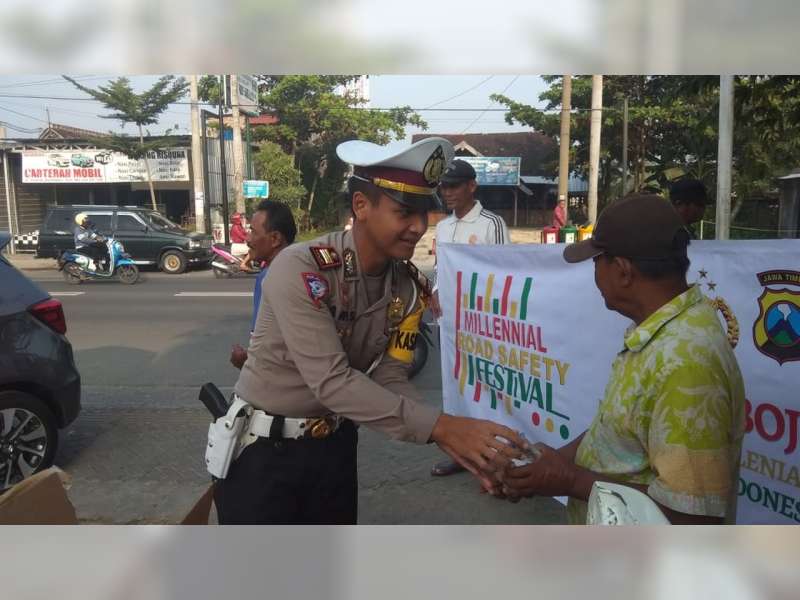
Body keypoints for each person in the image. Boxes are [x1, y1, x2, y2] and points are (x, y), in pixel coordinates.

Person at [213, 137, 524, 524]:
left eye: (425, 212)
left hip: (335, 452)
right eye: (404, 211)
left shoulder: (409, 288)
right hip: (264, 455)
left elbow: (390, 372)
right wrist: (442, 428)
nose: (418, 227)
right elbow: (332, 381)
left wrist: (454, 441)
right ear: (361, 206)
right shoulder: (302, 269)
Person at [497, 194, 745, 524]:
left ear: (623, 270)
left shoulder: (686, 363)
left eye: (596, 260)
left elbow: (694, 520)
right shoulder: (661, 332)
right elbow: (621, 429)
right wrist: (551, 463)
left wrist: (568, 480)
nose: (594, 273)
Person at [428, 158, 511, 477]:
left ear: (471, 186)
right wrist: (434, 289)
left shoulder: (491, 223)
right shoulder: (444, 226)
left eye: (453, 186)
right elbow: (439, 265)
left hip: (484, 321)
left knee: (488, 382)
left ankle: (497, 451)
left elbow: (506, 270)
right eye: (443, 187)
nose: (447, 193)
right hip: (450, 319)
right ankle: (462, 451)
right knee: (455, 382)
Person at [229, 200, 297, 370]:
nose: (247, 239)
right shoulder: (300, 267)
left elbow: (261, 348)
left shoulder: (269, 277)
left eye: (252, 232)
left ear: (274, 239)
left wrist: (243, 360)